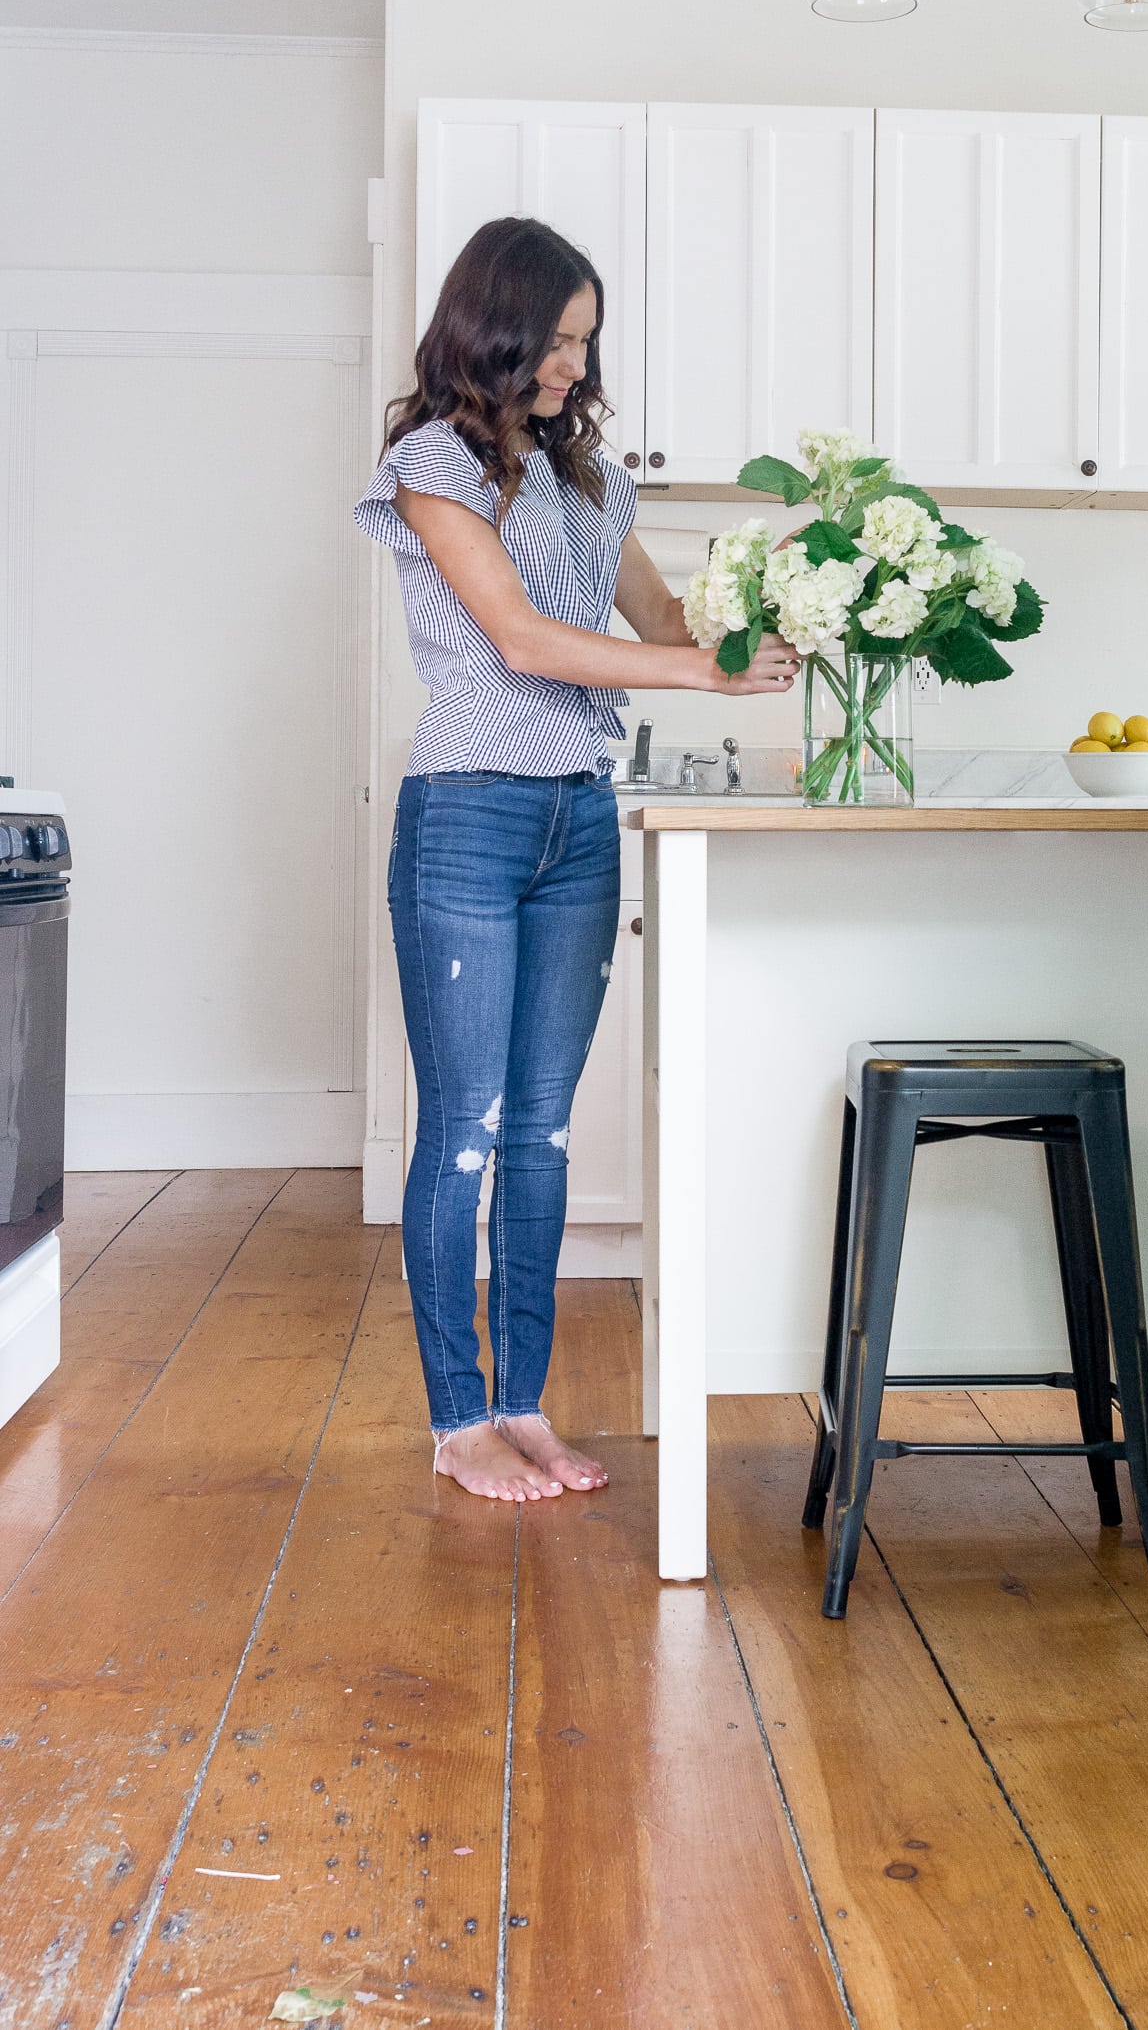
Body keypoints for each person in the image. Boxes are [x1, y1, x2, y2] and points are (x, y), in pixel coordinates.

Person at [356, 217, 797, 1503]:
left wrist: (775, 605)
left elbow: (664, 619)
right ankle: (457, 1419)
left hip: (575, 820)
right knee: (465, 1131)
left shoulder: (595, 480)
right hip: (468, 812)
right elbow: (524, 641)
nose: (569, 364)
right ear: (490, 328)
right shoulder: (431, 464)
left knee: (541, 1134)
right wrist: (691, 669)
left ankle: (523, 1406)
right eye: (553, 338)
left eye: (584, 341)